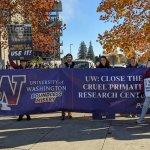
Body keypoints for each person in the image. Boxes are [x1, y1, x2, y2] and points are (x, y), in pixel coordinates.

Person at [60, 53, 75, 120]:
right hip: (64, 84)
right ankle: (63, 114)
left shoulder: (75, 65)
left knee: (70, 99)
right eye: (67, 57)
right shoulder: (63, 65)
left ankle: (70, 113)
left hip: (71, 84)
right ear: (66, 59)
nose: (69, 58)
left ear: (72, 58)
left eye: (70, 57)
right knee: (63, 99)